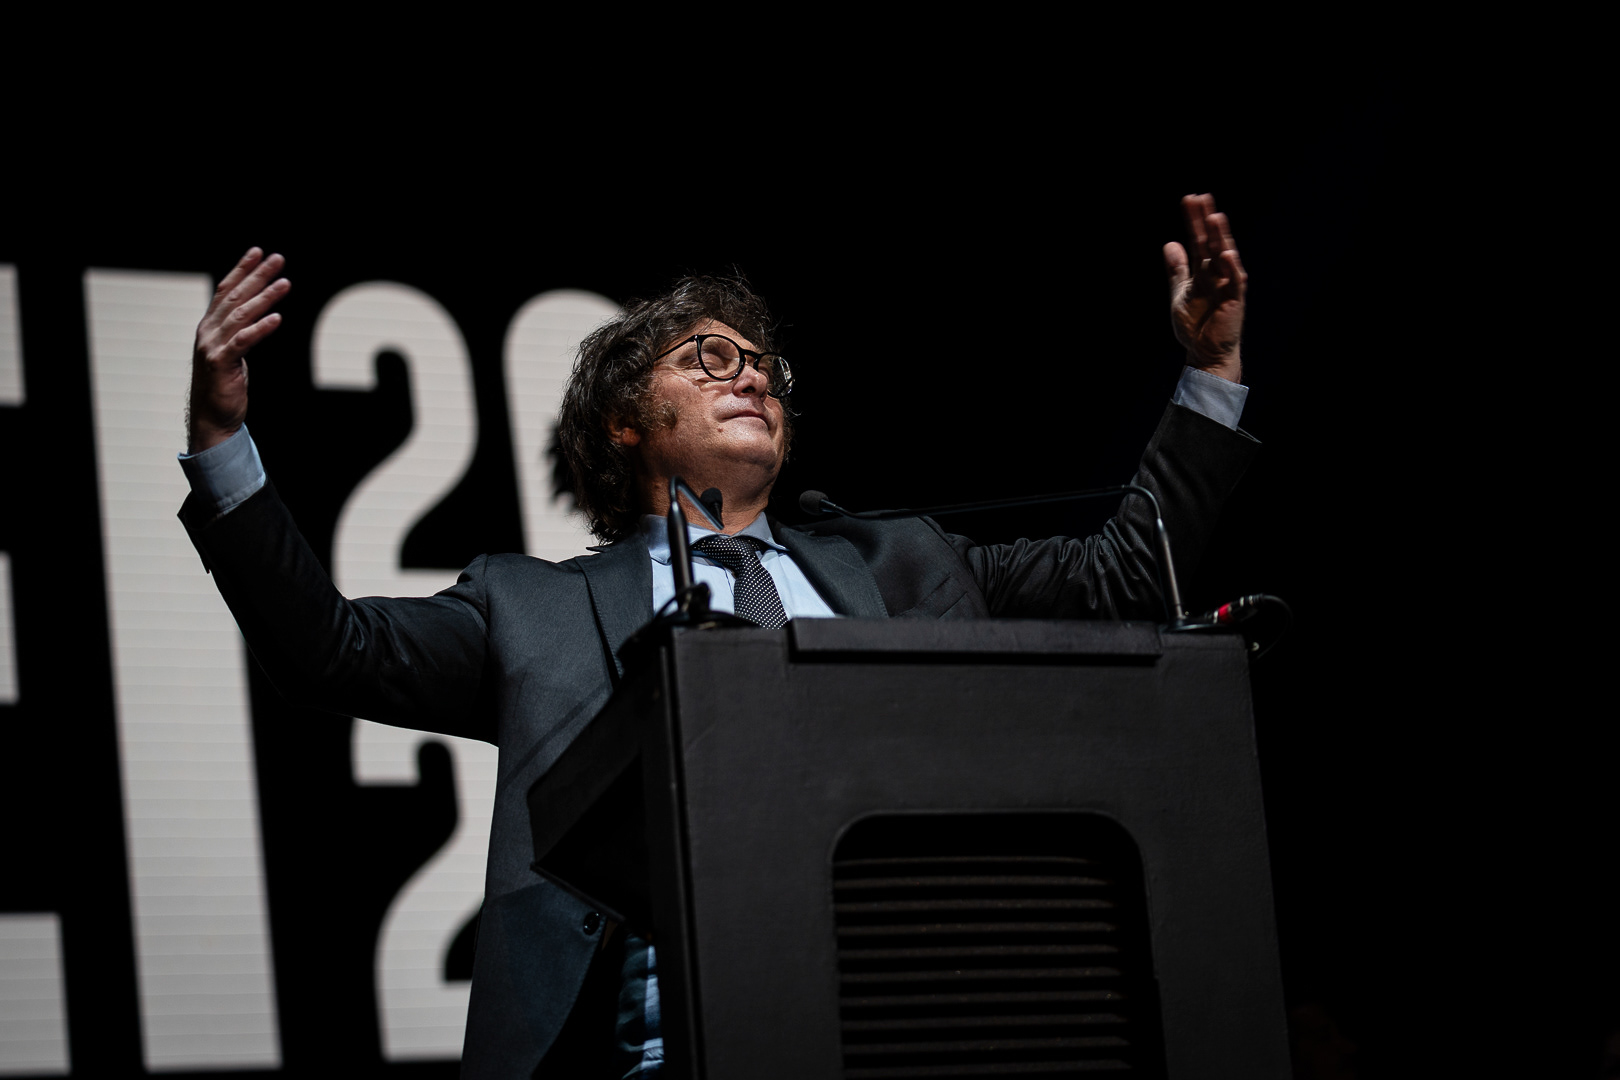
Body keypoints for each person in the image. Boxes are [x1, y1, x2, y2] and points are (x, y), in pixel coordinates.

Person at [179, 194, 1258, 1077]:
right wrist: (223, 440)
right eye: (707, 358)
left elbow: (1124, 577)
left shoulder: (910, 563)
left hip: (922, 1032)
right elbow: (328, 650)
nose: (750, 376)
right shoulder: (530, 608)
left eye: (765, 368)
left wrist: (1209, 370)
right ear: (622, 420)